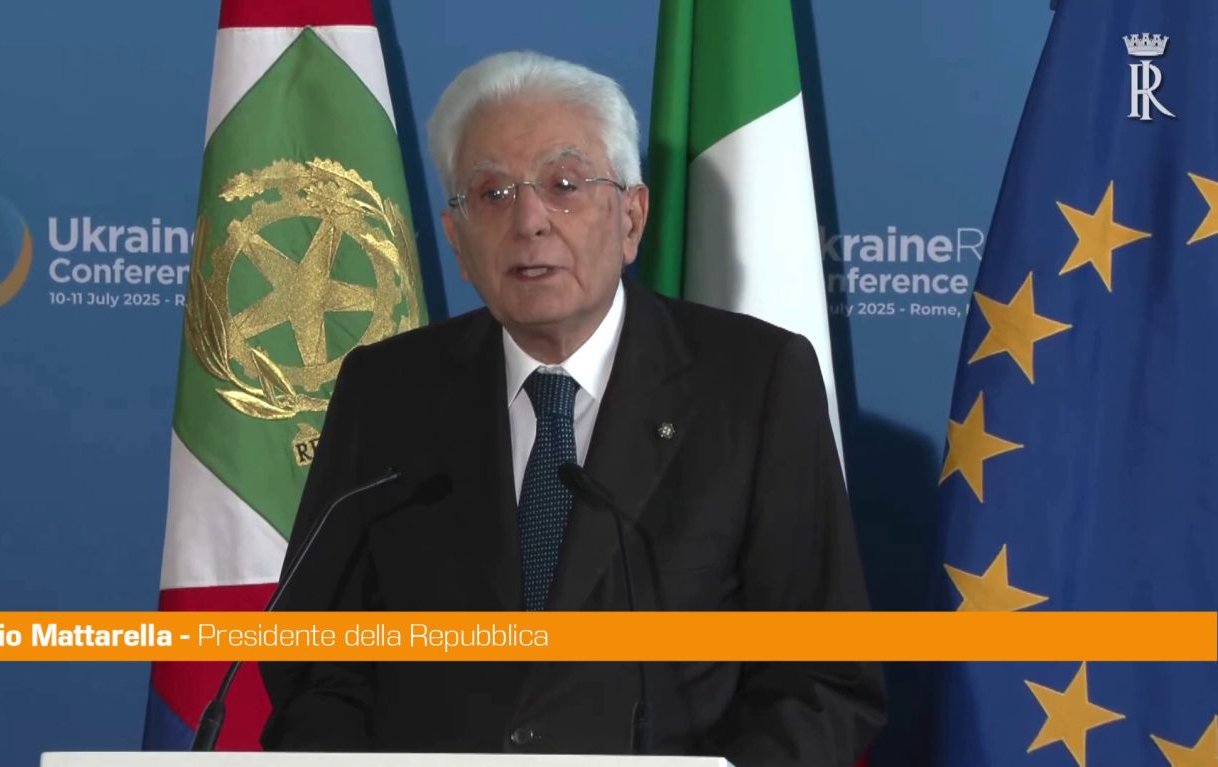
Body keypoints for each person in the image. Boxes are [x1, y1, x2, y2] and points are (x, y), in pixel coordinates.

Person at [260, 51, 885, 765]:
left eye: (564, 185)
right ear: (457, 240)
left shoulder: (755, 382)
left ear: (631, 217)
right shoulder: (387, 391)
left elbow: (824, 679)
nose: (530, 221)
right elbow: (316, 665)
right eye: (492, 193)